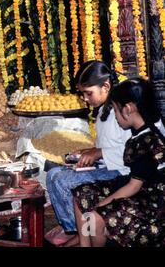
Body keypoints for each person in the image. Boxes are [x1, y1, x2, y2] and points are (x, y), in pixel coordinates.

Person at [45, 61, 132, 246]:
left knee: (63, 180)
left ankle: (77, 232)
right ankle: (73, 228)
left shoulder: (123, 111)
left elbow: (131, 149)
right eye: (82, 94)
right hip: (106, 165)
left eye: (88, 93)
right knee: (52, 173)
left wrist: (99, 153)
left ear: (106, 86)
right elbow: (107, 144)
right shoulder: (102, 110)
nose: (85, 98)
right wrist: (88, 152)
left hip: (120, 171)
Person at [73, 78, 165, 247]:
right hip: (136, 187)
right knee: (82, 192)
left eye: (115, 110)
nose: (115, 116)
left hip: (150, 200)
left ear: (128, 109)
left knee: (94, 218)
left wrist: (101, 205)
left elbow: (134, 187)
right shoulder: (137, 133)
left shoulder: (149, 140)